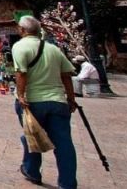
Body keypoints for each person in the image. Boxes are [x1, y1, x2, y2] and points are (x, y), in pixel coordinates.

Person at [12, 15, 78, 189]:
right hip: (58, 101)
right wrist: (71, 99)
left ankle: (32, 171)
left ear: (22, 30)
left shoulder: (20, 47)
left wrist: (20, 95)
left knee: (31, 135)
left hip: (33, 102)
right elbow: (67, 75)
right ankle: (68, 183)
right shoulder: (53, 49)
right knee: (64, 144)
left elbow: (21, 73)